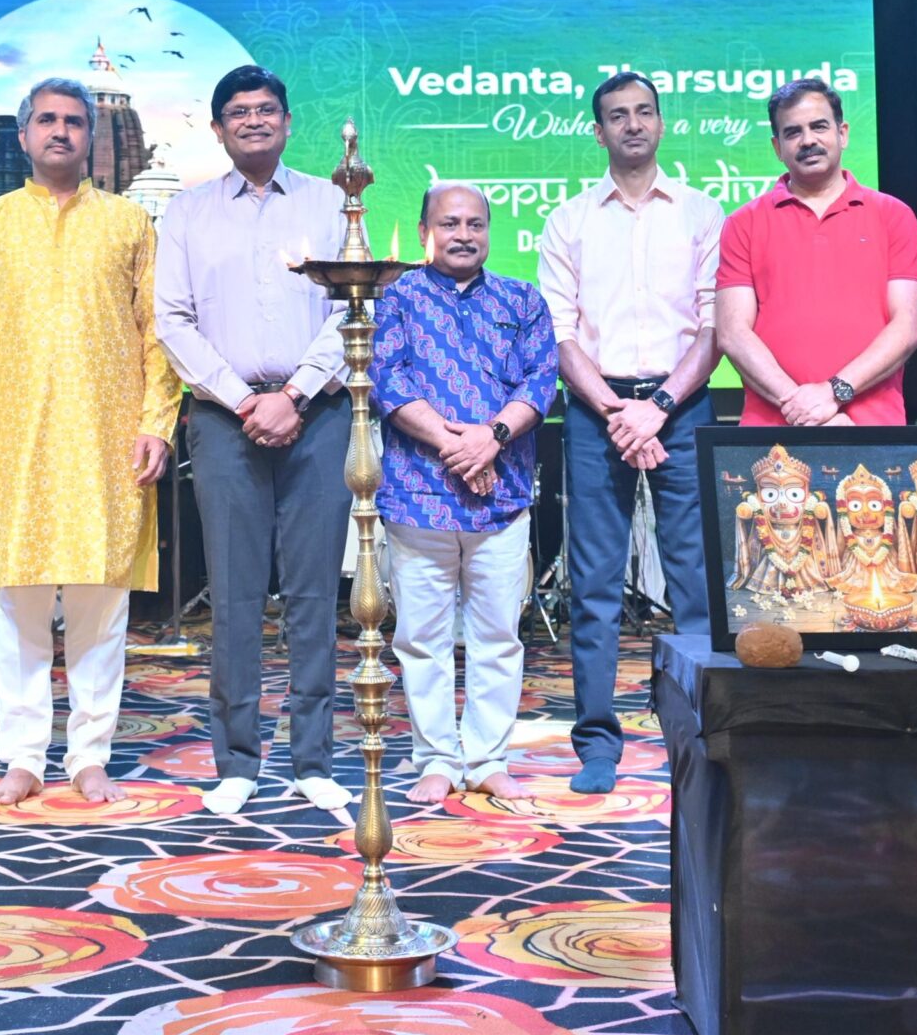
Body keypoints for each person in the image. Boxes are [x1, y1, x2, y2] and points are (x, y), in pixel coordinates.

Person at [0, 77, 181, 806]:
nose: (61, 131)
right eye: (47, 119)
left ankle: (90, 756)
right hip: (15, 443)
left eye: (74, 120)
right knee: (20, 607)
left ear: (91, 136)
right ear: (24, 135)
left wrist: (156, 423)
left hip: (109, 442)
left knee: (102, 607)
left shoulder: (129, 223)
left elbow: (158, 333)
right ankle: (22, 757)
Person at [154, 65, 355, 817]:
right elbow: (173, 320)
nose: (253, 121)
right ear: (217, 129)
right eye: (237, 112)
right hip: (223, 416)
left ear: (288, 120)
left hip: (318, 415)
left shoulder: (332, 202)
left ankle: (313, 760)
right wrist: (246, 401)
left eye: (267, 108)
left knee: (314, 595)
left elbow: (355, 303)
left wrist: (294, 394)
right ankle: (236, 761)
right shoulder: (187, 213)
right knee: (236, 595)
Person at [538, 70, 724, 795]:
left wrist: (661, 407)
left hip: (684, 406)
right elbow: (560, 336)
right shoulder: (569, 220)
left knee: (695, 582)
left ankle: (702, 732)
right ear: (599, 131)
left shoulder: (702, 212)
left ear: (662, 122)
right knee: (594, 587)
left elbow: (714, 328)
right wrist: (619, 411)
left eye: (645, 111)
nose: (633, 124)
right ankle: (597, 743)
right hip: (596, 412)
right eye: (618, 115)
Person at [373, 183, 558, 804]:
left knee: (498, 636)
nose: (463, 235)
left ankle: (486, 759)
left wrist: (491, 438)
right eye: (450, 223)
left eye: (475, 224)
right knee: (420, 638)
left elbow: (541, 380)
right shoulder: (396, 298)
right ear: (424, 231)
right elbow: (388, 379)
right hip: (418, 494)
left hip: (501, 494)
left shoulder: (522, 299)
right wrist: (457, 447)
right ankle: (435, 759)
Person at [717, 77, 917, 426]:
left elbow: (909, 325)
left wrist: (833, 394)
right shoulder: (743, 223)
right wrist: (803, 408)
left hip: (872, 427)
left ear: (842, 133)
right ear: (777, 147)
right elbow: (732, 333)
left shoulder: (893, 215)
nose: (808, 140)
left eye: (819, 127)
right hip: (773, 430)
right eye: (793, 132)